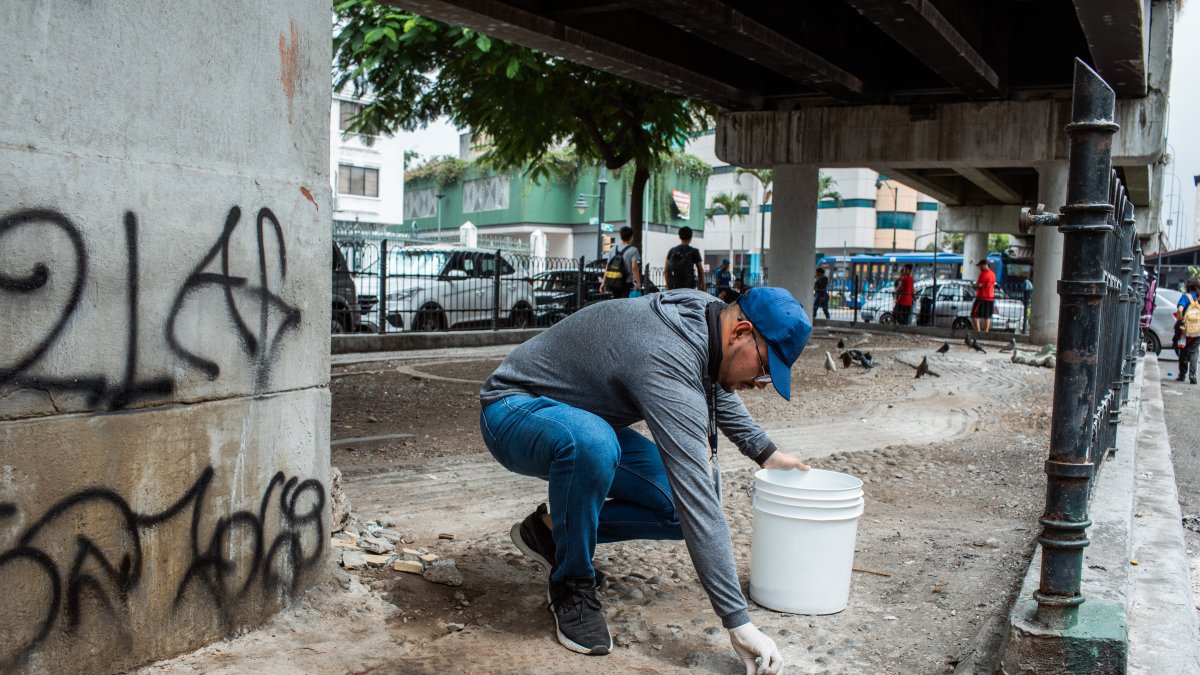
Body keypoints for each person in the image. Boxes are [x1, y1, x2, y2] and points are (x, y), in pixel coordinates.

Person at [479, 286, 811, 671]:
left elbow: (713, 378)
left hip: (584, 421)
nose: (759, 383)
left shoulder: (707, 314)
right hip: (513, 409)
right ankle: (572, 583)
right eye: (766, 369)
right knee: (598, 446)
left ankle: (549, 531)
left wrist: (765, 452)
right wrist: (738, 622)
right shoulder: (663, 357)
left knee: (671, 506)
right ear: (741, 332)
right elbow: (697, 499)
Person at [600, 226, 642, 299]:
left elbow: (607, 266)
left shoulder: (612, 249)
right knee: (624, 303)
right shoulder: (633, 250)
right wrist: (638, 283)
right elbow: (634, 267)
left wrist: (603, 282)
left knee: (615, 301)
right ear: (631, 237)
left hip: (612, 281)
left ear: (621, 236)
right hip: (626, 282)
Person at [1173, 277, 1200, 383]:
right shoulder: (1199, 297)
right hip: (1198, 329)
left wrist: (1180, 320)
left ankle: (1182, 374)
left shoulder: (1186, 297)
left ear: (1188, 286)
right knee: (1194, 352)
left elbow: (1180, 310)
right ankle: (1193, 375)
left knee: (1182, 349)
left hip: (1185, 329)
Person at [665, 226, 705, 291]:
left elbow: (666, 270)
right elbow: (700, 271)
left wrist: (667, 286)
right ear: (691, 237)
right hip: (689, 287)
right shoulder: (694, 251)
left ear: (679, 237)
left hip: (674, 287)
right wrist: (703, 287)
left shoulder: (672, 251)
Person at [971, 259, 996, 334]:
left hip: (981, 297)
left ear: (984, 265)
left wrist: (973, 286)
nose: (979, 268)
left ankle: (977, 331)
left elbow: (979, 285)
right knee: (987, 316)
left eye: (980, 266)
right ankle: (986, 332)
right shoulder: (993, 274)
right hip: (990, 297)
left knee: (974, 314)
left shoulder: (983, 274)